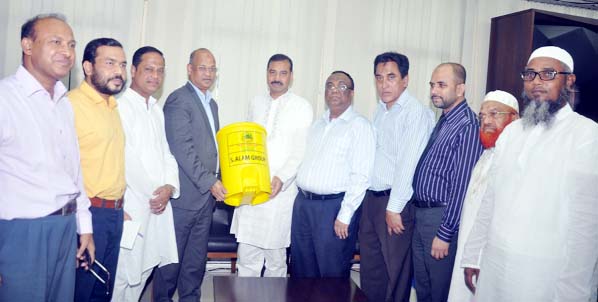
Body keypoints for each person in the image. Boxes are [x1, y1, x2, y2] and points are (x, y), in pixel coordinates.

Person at [461, 46, 598, 301]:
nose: (537, 82)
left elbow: (587, 227)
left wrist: (574, 291)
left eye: (548, 74)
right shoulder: (512, 133)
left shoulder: (587, 135)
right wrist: (473, 254)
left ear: (569, 80)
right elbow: (490, 199)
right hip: (494, 264)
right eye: (530, 74)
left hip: (543, 274)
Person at [0, 13, 94, 302]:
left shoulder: (63, 103)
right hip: (21, 233)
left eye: (71, 44)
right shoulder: (5, 98)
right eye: (56, 42)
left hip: (65, 230)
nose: (67, 51)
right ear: (27, 45)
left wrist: (85, 228)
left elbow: (73, 172)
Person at [359, 51, 434, 302]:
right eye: (379, 78)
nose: (384, 84)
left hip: (394, 203)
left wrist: (394, 208)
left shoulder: (415, 113)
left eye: (391, 77)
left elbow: (408, 164)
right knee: (371, 271)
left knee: (396, 274)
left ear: (406, 79)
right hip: (372, 200)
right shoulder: (381, 111)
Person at [231, 54, 313, 277]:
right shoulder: (256, 102)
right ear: (266, 74)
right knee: (247, 256)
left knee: (276, 261)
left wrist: (281, 178)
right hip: (251, 192)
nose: (277, 78)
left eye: (283, 73)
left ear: (291, 77)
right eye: (272, 72)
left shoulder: (301, 107)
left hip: (280, 194)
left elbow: (301, 151)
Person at [153, 48, 225, 302]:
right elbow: (182, 149)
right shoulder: (178, 99)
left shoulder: (211, 103)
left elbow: (212, 150)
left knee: (195, 263)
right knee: (171, 263)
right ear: (189, 69)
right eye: (202, 68)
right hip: (183, 199)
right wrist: (210, 182)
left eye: (212, 69)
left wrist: (221, 180)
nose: (208, 73)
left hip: (205, 200)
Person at [291, 70, 375, 278]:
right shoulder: (318, 125)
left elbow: (361, 175)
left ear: (352, 94)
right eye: (330, 85)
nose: (335, 90)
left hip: (332, 210)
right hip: (303, 205)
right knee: (301, 271)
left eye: (342, 86)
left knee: (330, 275)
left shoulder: (360, 126)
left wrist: (345, 216)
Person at [112, 46, 180, 301]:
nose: (155, 76)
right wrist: (157, 194)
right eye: (148, 69)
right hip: (134, 204)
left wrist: (170, 188)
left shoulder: (156, 109)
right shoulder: (120, 106)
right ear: (133, 70)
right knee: (124, 273)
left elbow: (166, 154)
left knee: (145, 268)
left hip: (158, 204)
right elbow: (127, 159)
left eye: (160, 71)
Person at [411, 63, 483, 302]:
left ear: (460, 88)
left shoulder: (468, 126)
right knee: (423, 289)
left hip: (440, 219)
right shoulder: (445, 119)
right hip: (423, 215)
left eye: (442, 85)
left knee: (438, 290)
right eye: (432, 85)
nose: (434, 90)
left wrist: (444, 233)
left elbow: (461, 187)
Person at [69, 37, 127, 301]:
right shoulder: (71, 105)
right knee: (81, 290)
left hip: (113, 214)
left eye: (123, 65)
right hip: (86, 215)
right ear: (88, 67)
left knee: (102, 290)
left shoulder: (112, 106)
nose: (119, 71)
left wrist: (119, 206)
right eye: (110, 63)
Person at [446, 90, 519, 302]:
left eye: (494, 114)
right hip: (468, 252)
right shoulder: (486, 154)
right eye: (482, 116)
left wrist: (477, 259)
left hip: (487, 258)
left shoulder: (514, 158)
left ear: (514, 118)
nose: (486, 121)